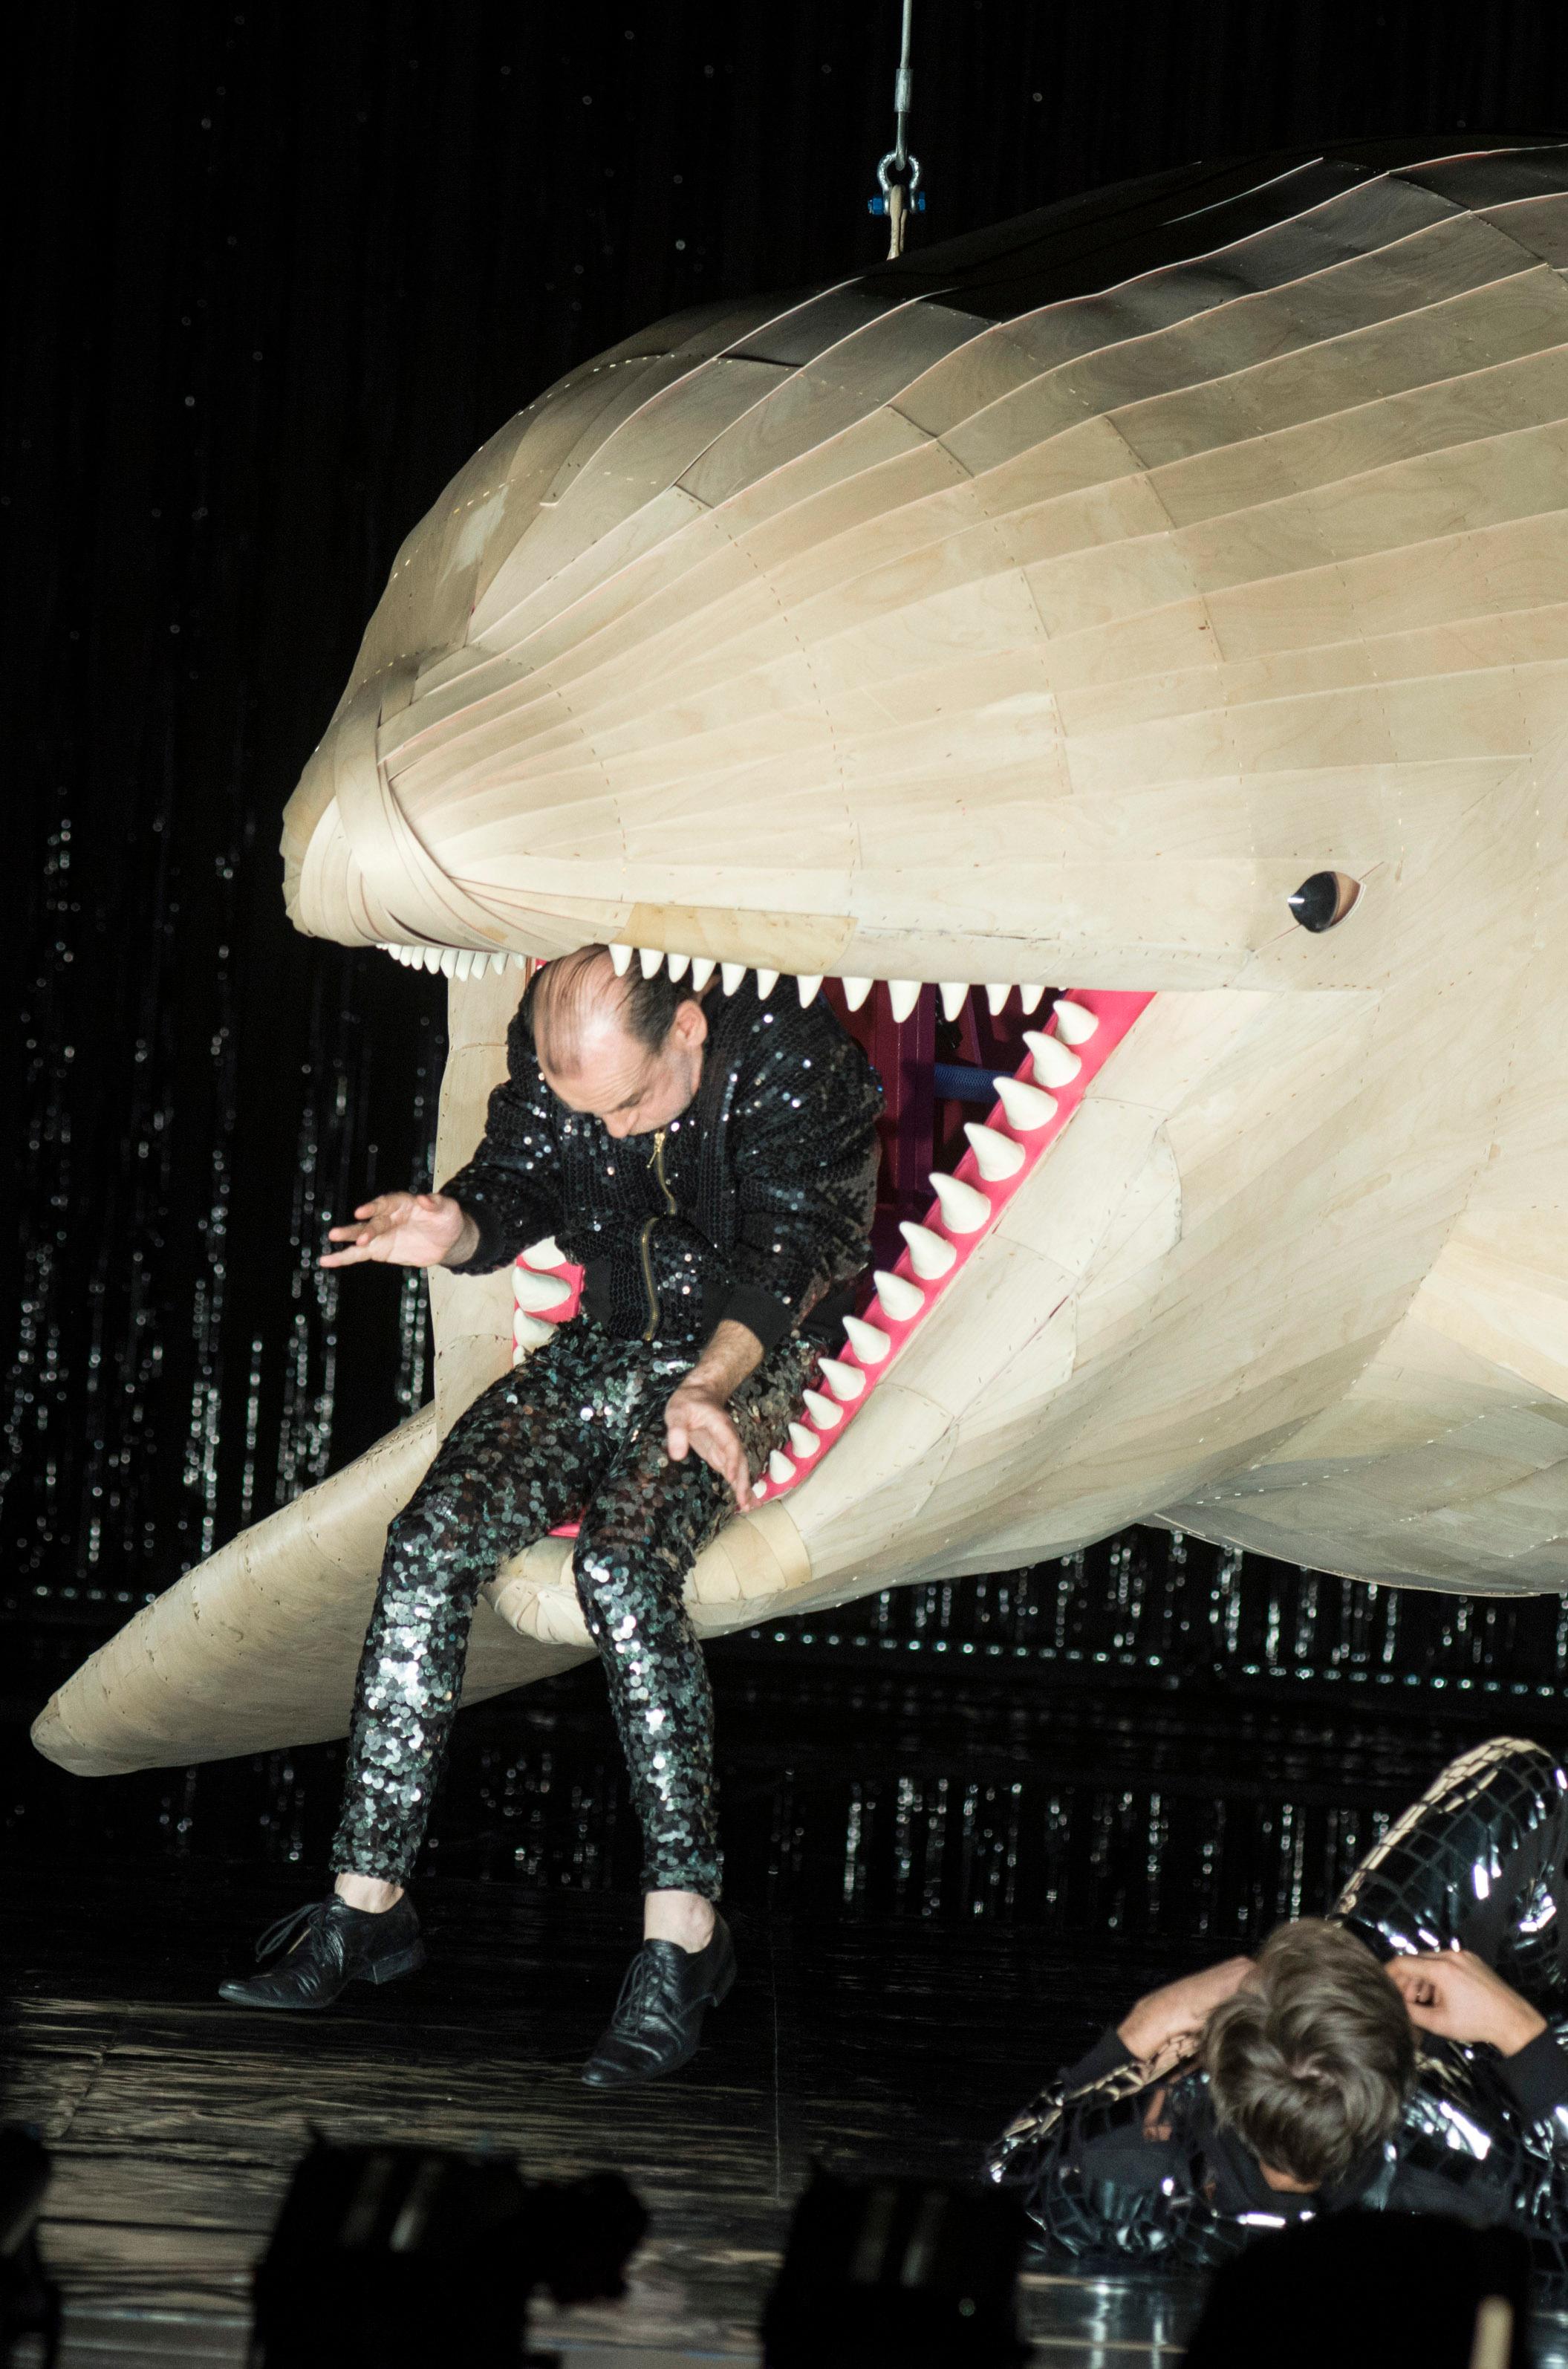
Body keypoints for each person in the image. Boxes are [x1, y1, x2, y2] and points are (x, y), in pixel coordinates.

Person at [218, 949, 882, 2084]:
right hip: (605, 1349)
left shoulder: (788, 1056)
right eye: (588, 1111)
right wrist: (459, 1228)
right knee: (427, 1544)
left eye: (627, 1103)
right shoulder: (558, 1074)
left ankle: (684, 1938)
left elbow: (796, 1253)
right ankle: (366, 1903)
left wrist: (709, 1383)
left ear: (685, 1028)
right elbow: (514, 1185)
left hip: (743, 1359)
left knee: (620, 1572)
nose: (612, 1134)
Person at [986, 1736, 1568, 2283]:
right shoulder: (1468, 2175)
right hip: (1520, 2085)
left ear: (1222, 2077)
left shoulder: (1132, 2164)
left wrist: (1147, 2024)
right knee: (1521, 1775)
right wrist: (1518, 2030)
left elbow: (1009, 2170)